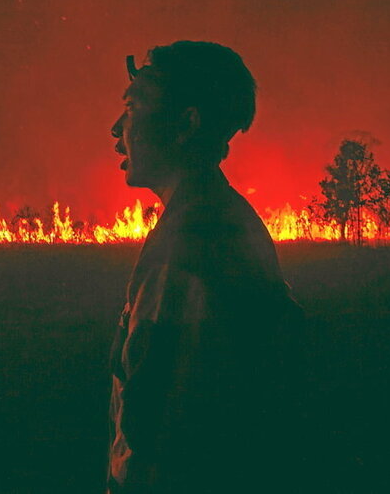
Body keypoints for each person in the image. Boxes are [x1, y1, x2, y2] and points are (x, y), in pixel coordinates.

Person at [107, 41, 306, 493]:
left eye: (134, 107)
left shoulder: (192, 243)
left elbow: (163, 427)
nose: (117, 128)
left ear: (186, 124)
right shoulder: (216, 219)